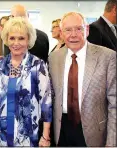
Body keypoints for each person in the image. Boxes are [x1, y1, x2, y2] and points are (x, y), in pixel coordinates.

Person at [48, 12, 116, 146]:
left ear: (87, 30)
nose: (73, 34)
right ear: (61, 33)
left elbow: (114, 104)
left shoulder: (108, 57)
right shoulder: (53, 58)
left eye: (79, 28)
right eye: (68, 30)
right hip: (61, 130)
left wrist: (112, 143)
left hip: (95, 132)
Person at [0, 17, 52, 147]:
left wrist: (45, 135)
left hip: (28, 135)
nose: (16, 43)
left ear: (29, 40)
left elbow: (46, 102)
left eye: (21, 38)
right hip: (1, 134)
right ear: (6, 39)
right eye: (12, 38)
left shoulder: (37, 65)